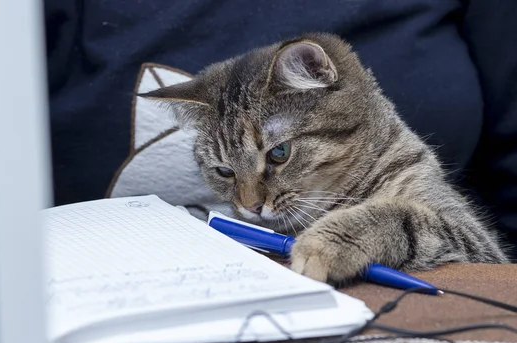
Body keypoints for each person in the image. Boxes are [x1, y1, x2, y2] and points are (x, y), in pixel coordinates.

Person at [43, 0, 517, 261]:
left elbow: (486, 259)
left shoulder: (391, 160)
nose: (252, 203)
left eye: (277, 155)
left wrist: (373, 230)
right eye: (227, 173)